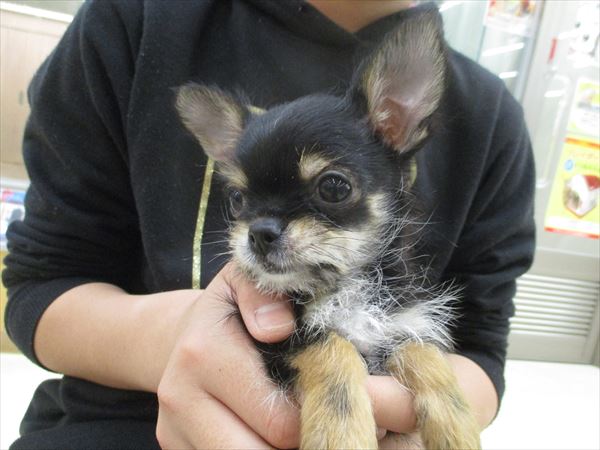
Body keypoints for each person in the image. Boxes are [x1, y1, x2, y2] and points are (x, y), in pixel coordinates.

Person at [2, 0, 535, 448]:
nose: (263, 227)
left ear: (401, 123)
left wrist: (429, 404)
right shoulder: (137, 19)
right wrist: (175, 335)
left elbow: (478, 348)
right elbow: (40, 283)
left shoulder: (493, 120)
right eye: (241, 201)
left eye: (331, 188)